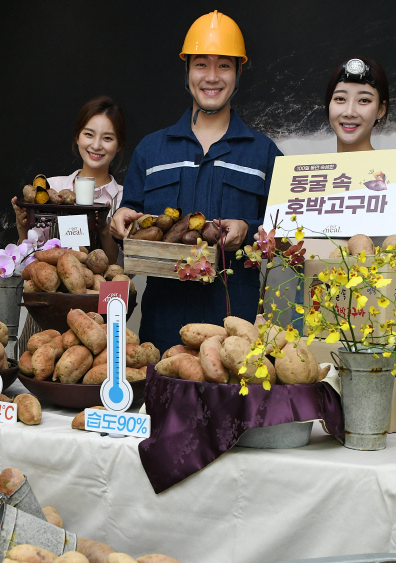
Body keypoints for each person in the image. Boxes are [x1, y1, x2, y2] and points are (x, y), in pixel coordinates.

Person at [110, 11, 282, 354]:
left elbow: (287, 231)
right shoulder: (152, 149)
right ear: (187, 70)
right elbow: (134, 215)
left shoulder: (264, 154)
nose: (212, 77)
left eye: (224, 66)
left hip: (234, 332)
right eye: (201, 64)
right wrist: (123, 217)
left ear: (238, 73)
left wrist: (248, 229)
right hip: (161, 328)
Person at [11, 96, 125, 263]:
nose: (96, 145)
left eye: (107, 138)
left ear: (119, 144)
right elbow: (30, 260)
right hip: (49, 286)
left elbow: (124, 270)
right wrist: (22, 227)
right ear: (77, 137)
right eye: (89, 134)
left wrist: (104, 231)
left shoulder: (126, 200)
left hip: (103, 289)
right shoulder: (52, 189)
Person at [325, 57, 396, 245]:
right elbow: (301, 266)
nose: (349, 111)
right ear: (328, 105)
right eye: (340, 99)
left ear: (381, 110)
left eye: (364, 100)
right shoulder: (307, 176)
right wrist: (277, 245)